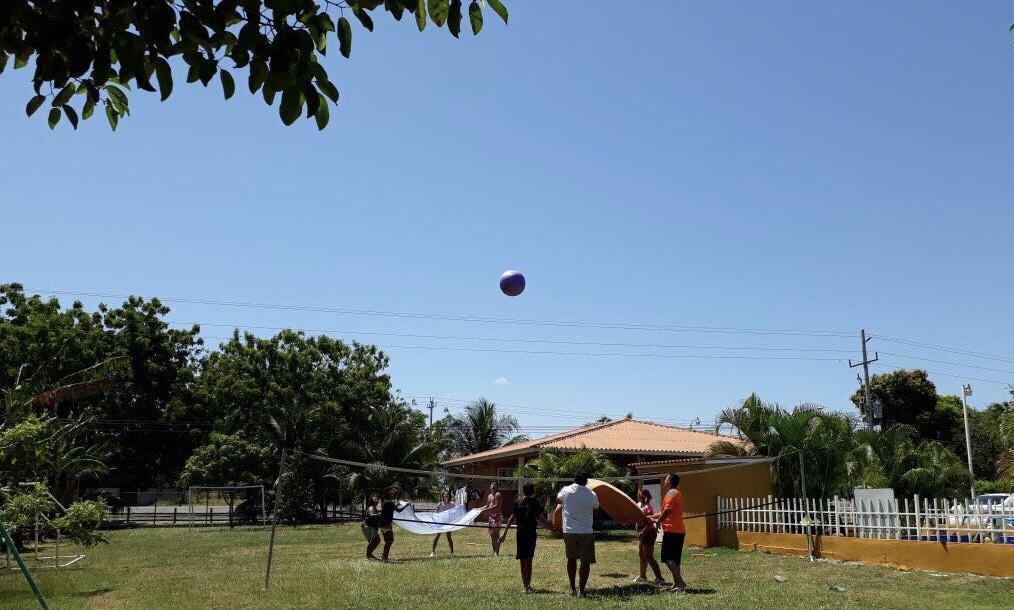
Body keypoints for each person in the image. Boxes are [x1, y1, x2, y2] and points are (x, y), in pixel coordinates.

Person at [499, 482, 551, 594]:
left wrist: (504, 534)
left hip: (521, 534)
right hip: (531, 534)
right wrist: (551, 528)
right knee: (529, 559)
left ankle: (525, 586)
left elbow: (510, 519)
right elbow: (542, 519)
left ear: (524, 491)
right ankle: (528, 585)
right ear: (533, 492)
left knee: (523, 560)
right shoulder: (535, 503)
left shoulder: (518, 502)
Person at [556, 472, 599, 597]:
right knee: (585, 562)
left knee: (571, 559)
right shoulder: (591, 494)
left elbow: (558, 499)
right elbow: (596, 508)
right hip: (585, 531)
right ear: (586, 482)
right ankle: (582, 590)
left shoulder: (566, 490)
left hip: (569, 530)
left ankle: (572, 588)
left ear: (574, 480)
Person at [652, 474, 687, 591]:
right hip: (678, 530)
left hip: (672, 531)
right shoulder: (676, 493)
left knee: (667, 558)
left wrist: (658, 521)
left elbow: (667, 510)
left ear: (670, 482)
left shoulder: (671, 493)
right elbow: (664, 511)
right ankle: (676, 584)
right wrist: (653, 516)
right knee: (675, 560)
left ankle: (680, 582)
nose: (664, 481)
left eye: (666, 479)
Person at [633, 488, 665, 585]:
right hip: (642, 534)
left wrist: (642, 532)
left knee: (649, 556)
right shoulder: (638, 505)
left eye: (638, 494)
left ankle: (659, 578)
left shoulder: (648, 507)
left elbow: (650, 523)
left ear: (642, 496)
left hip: (649, 533)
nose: (637, 496)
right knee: (642, 555)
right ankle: (642, 576)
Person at [378, 487, 410, 562]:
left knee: (388, 541)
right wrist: (406, 506)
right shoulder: (389, 503)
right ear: (389, 495)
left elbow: (392, 507)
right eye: (392, 494)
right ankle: (384, 557)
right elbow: (398, 510)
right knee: (389, 541)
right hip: (386, 524)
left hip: (382, 524)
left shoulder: (385, 502)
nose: (393, 495)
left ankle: (384, 556)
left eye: (393, 494)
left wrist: (397, 504)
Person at [430, 490, 456, 558]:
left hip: (448, 523)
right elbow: (436, 514)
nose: (446, 495)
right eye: (444, 494)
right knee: (437, 537)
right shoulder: (440, 504)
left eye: (447, 494)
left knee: (449, 537)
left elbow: (455, 513)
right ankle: (433, 552)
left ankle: (452, 553)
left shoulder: (452, 504)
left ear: (449, 496)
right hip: (440, 523)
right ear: (443, 496)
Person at [483, 481, 504, 556]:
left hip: (497, 516)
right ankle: (494, 551)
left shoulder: (498, 494)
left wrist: (487, 510)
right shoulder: (489, 496)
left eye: (495, 484)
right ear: (490, 486)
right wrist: (479, 509)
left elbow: (497, 505)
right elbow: (487, 505)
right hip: (491, 517)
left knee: (496, 534)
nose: (494, 485)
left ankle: (497, 552)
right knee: (492, 535)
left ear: (497, 487)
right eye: (492, 484)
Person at [363, 492, 382, 561]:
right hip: (369, 527)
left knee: (376, 540)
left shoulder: (374, 507)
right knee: (375, 541)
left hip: (372, 527)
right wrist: (378, 514)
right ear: (371, 501)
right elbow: (371, 515)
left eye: (377, 499)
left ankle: (369, 554)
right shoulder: (371, 508)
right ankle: (368, 555)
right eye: (375, 499)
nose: (376, 501)